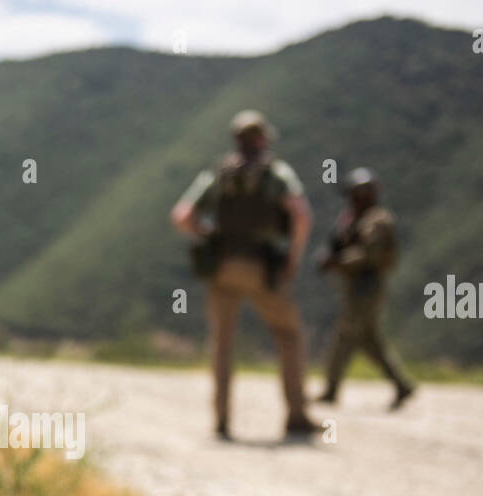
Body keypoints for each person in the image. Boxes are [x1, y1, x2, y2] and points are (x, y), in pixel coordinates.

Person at [170, 110, 319, 440]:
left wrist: (207, 236)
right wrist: (292, 258)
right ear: (263, 139)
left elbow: (181, 215)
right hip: (262, 267)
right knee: (289, 335)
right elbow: (301, 215)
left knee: (222, 343)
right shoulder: (277, 174)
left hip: (221, 267)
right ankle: (296, 414)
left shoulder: (218, 175)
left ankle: (222, 420)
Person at [315, 168, 415, 410]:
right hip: (356, 286)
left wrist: (338, 261)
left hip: (366, 286)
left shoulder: (376, 220)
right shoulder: (355, 219)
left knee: (346, 336)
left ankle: (331, 389)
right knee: (369, 340)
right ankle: (401, 385)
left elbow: (369, 254)